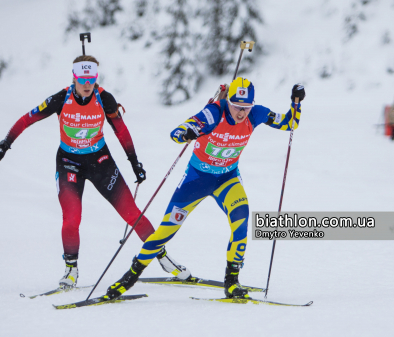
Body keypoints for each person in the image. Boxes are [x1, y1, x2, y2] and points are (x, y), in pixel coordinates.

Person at [0, 55, 191, 288]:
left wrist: (135, 162)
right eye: (82, 79)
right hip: (68, 162)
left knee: (132, 213)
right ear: (74, 77)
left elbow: (121, 131)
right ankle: (71, 270)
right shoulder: (60, 99)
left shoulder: (105, 99)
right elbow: (27, 119)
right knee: (72, 218)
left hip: (100, 161)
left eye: (91, 79)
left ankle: (163, 258)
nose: (87, 84)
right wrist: (4, 146)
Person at [103, 78, 305, 300]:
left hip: (227, 179)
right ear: (228, 100)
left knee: (241, 219)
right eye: (237, 106)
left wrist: (296, 102)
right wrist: (187, 133)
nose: (241, 113)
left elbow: (289, 123)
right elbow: (179, 130)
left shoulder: (257, 114)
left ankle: (232, 282)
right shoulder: (214, 113)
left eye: (246, 107)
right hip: (196, 180)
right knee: (167, 229)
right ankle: (130, 277)